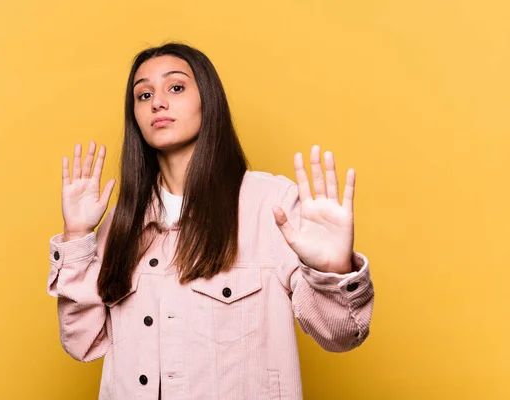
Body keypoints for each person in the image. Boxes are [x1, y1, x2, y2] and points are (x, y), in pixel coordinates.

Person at [47, 42, 374, 400]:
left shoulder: (270, 204)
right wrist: (77, 235)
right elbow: (82, 343)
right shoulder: (122, 222)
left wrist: (334, 270)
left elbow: (340, 335)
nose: (157, 102)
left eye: (175, 87)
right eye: (143, 95)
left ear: (208, 100)